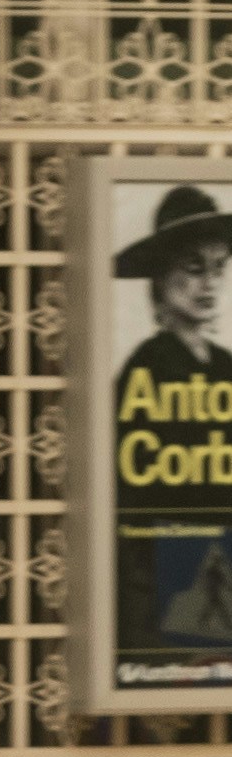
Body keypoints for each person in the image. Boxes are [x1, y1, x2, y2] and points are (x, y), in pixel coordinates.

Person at [111, 184, 232, 659]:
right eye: (194, 268)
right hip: (168, 566)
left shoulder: (226, 366)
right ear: (161, 278)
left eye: (219, 270)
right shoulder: (148, 366)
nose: (209, 285)